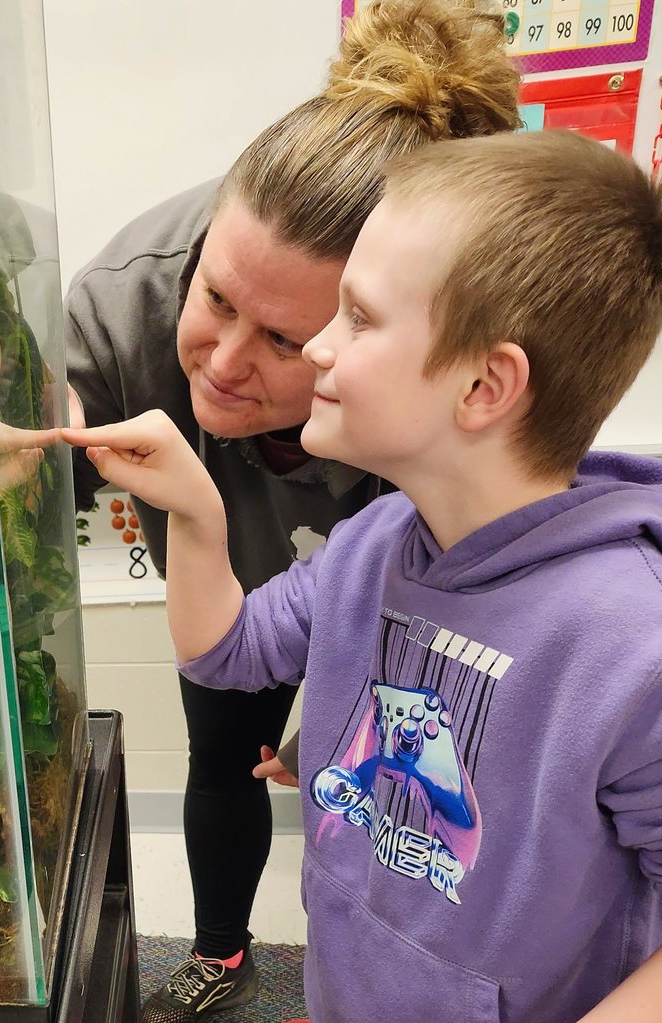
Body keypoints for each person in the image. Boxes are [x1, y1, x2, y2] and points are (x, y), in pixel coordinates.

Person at [61, 128, 662, 1022]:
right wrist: (196, 511)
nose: (322, 350)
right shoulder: (373, 543)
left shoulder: (630, 644)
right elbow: (224, 650)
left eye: (358, 319)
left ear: (484, 386)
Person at [65, 1, 519, 1017]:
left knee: (363, 795)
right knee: (227, 753)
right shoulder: (137, 288)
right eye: (215, 299)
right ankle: (227, 952)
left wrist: (332, 727)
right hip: (250, 581)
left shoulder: (446, 442)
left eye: (287, 341)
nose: (223, 368)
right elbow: (218, 647)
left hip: (383, 613)